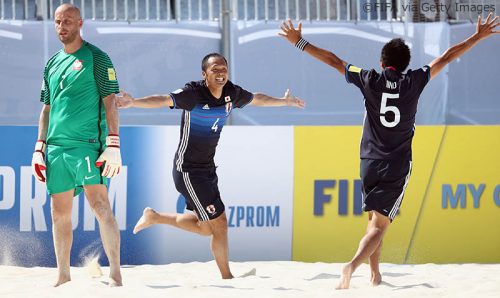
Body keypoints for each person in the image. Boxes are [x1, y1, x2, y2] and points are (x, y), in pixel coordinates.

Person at [279, 14, 499, 289]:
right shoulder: (414, 80)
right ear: (405, 65)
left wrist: (299, 41)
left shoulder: (369, 78)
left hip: (368, 161)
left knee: (373, 221)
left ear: (381, 63)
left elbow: (334, 60)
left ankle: (375, 275)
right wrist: (477, 36)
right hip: (396, 164)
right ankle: (352, 266)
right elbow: (446, 56)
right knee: (379, 226)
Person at [117, 52, 305, 279]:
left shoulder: (231, 93)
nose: (220, 72)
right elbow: (163, 99)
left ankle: (155, 217)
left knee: (206, 228)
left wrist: (284, 101)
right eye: (214, 69)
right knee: (220, 225)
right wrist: (134, 102)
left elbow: (257, 98)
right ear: (204, 74)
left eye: (223, 68)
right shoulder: (193, 94)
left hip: (207, 169)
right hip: (188, 170)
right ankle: (227, 277)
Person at [31, 3, 123, 287]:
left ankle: (116, 273)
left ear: (80, 23)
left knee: (100, 205)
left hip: (86, 144)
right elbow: (46, 109)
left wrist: (113, 142)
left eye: (68, 21)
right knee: (59, 212)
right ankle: (63, 275)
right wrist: (39, 147)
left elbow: (111, 102)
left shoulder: (97, 57)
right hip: (56, 148)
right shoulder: (51, 63)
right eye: (58, 22)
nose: (62, 26)